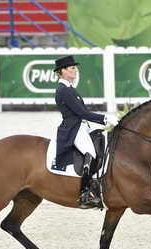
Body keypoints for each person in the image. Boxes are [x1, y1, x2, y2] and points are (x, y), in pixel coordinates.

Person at [53, 55, 119, 208]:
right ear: (62, 71)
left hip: (81, 126)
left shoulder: (69, 88)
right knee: (91, 153)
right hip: (73, 129)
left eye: (75, 68)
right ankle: (85, 194)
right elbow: (82, 113)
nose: (75, 71)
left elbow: (83, 113)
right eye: (72, 68)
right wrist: (105, 119)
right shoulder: (64, 90)